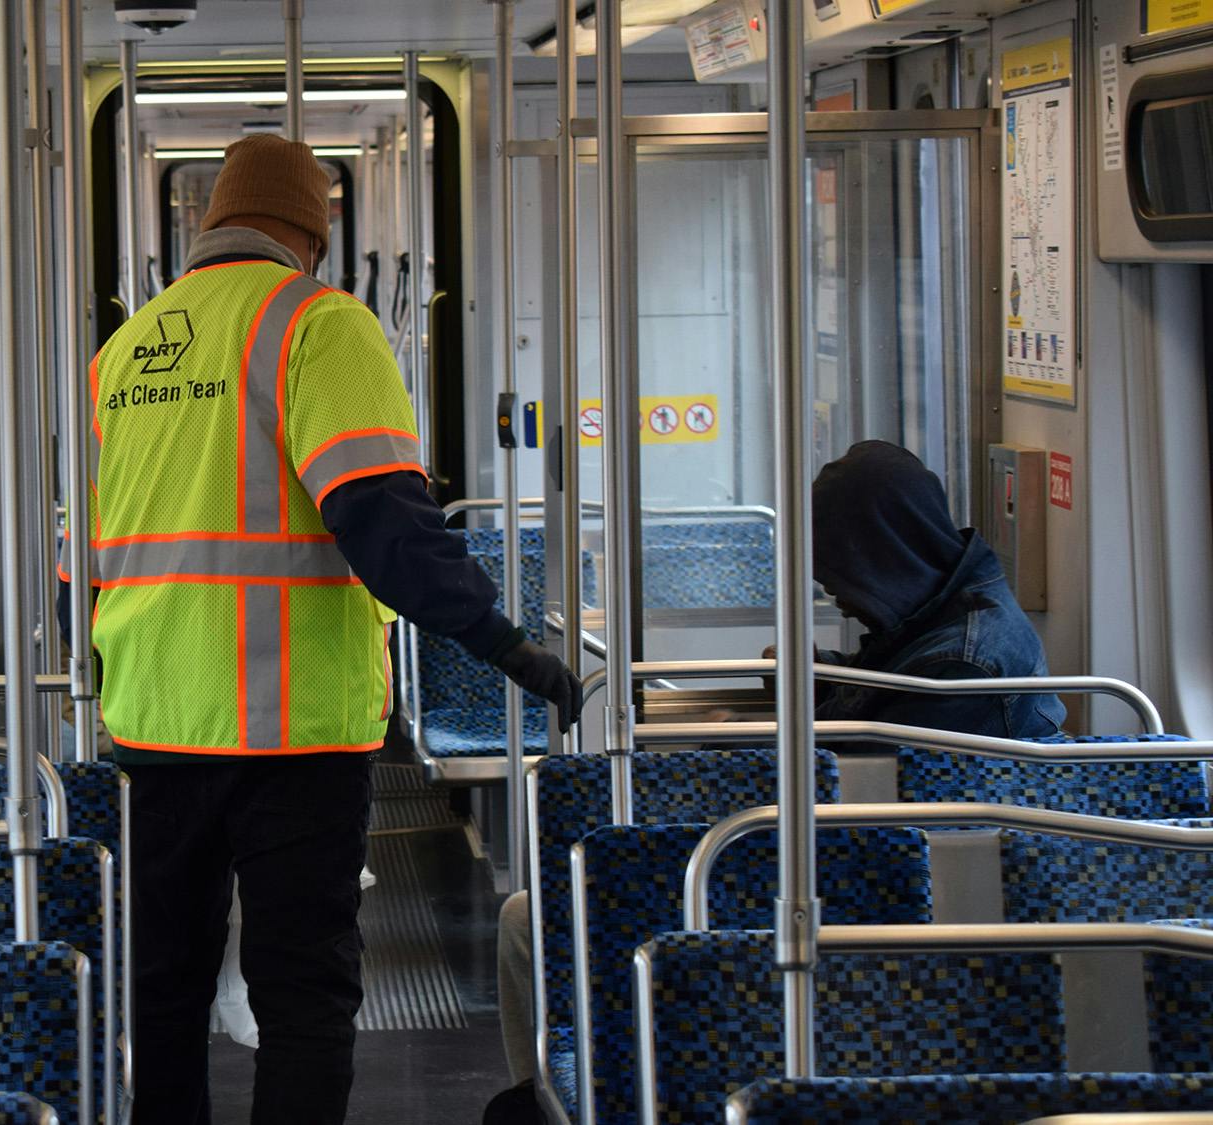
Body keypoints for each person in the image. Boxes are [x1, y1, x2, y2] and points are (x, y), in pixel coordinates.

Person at [66, 134, 580, 1125]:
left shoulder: (121, 354)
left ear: (208, 222)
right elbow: (383, 521)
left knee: (162, 993)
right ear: (313, 229)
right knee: (302, 994)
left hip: (150, 724)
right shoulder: (315, 322)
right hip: (290, 725)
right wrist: (505, 645)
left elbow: (79, 564)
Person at [484, 439, 1063, 1122]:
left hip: (870, 893)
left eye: (838, 571)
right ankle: (571, 1081)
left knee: (531, 919)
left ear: (880, 551)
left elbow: (872, 786)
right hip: (849, 862)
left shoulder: (966, 665)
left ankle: (577, 1088)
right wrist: (822, 674)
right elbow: (886, 708)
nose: (834, 592)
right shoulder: (948, 608)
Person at [810, 439, 1064, 735]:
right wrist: (820, 671)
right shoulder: (935, 613)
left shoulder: (962, 666)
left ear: (883, 558)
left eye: (844, 580)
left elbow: (864, 767)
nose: (837, 599)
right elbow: (886, 681)